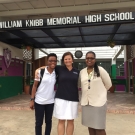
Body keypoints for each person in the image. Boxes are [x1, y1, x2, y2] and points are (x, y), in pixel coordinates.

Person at [36, 52, 80, 135]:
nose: (67, 60)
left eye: (69, 59)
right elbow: (48, 67)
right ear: (63, 61)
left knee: (71, 120)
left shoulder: (77, 71)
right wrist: (37, 70)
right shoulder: (59, 69)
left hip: (73, 99)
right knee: (61, 120)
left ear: (72, 60)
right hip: (60, 98)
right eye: (65, 59)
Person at [78, 51, 112, 135]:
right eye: (87, 58)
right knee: (90, 126)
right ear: (85, 59)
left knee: (99, 128)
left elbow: (108, 84)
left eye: (91, 58)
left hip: (98, 103)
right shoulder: (82, 72)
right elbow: (80, 84)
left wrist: (101, 93)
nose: (89, 60)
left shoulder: (100, 70)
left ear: (95, 59)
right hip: (86, 103)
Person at [29, 53, 57, 135]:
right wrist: (32, 99)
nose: (53, 62)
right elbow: (34, 86)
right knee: (38, 122)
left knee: (49, 122)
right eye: (50, 61)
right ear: (47, 61)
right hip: (39, 102)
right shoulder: (40, 72)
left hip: (50, 102)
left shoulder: (57, 72)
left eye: (54, 61)